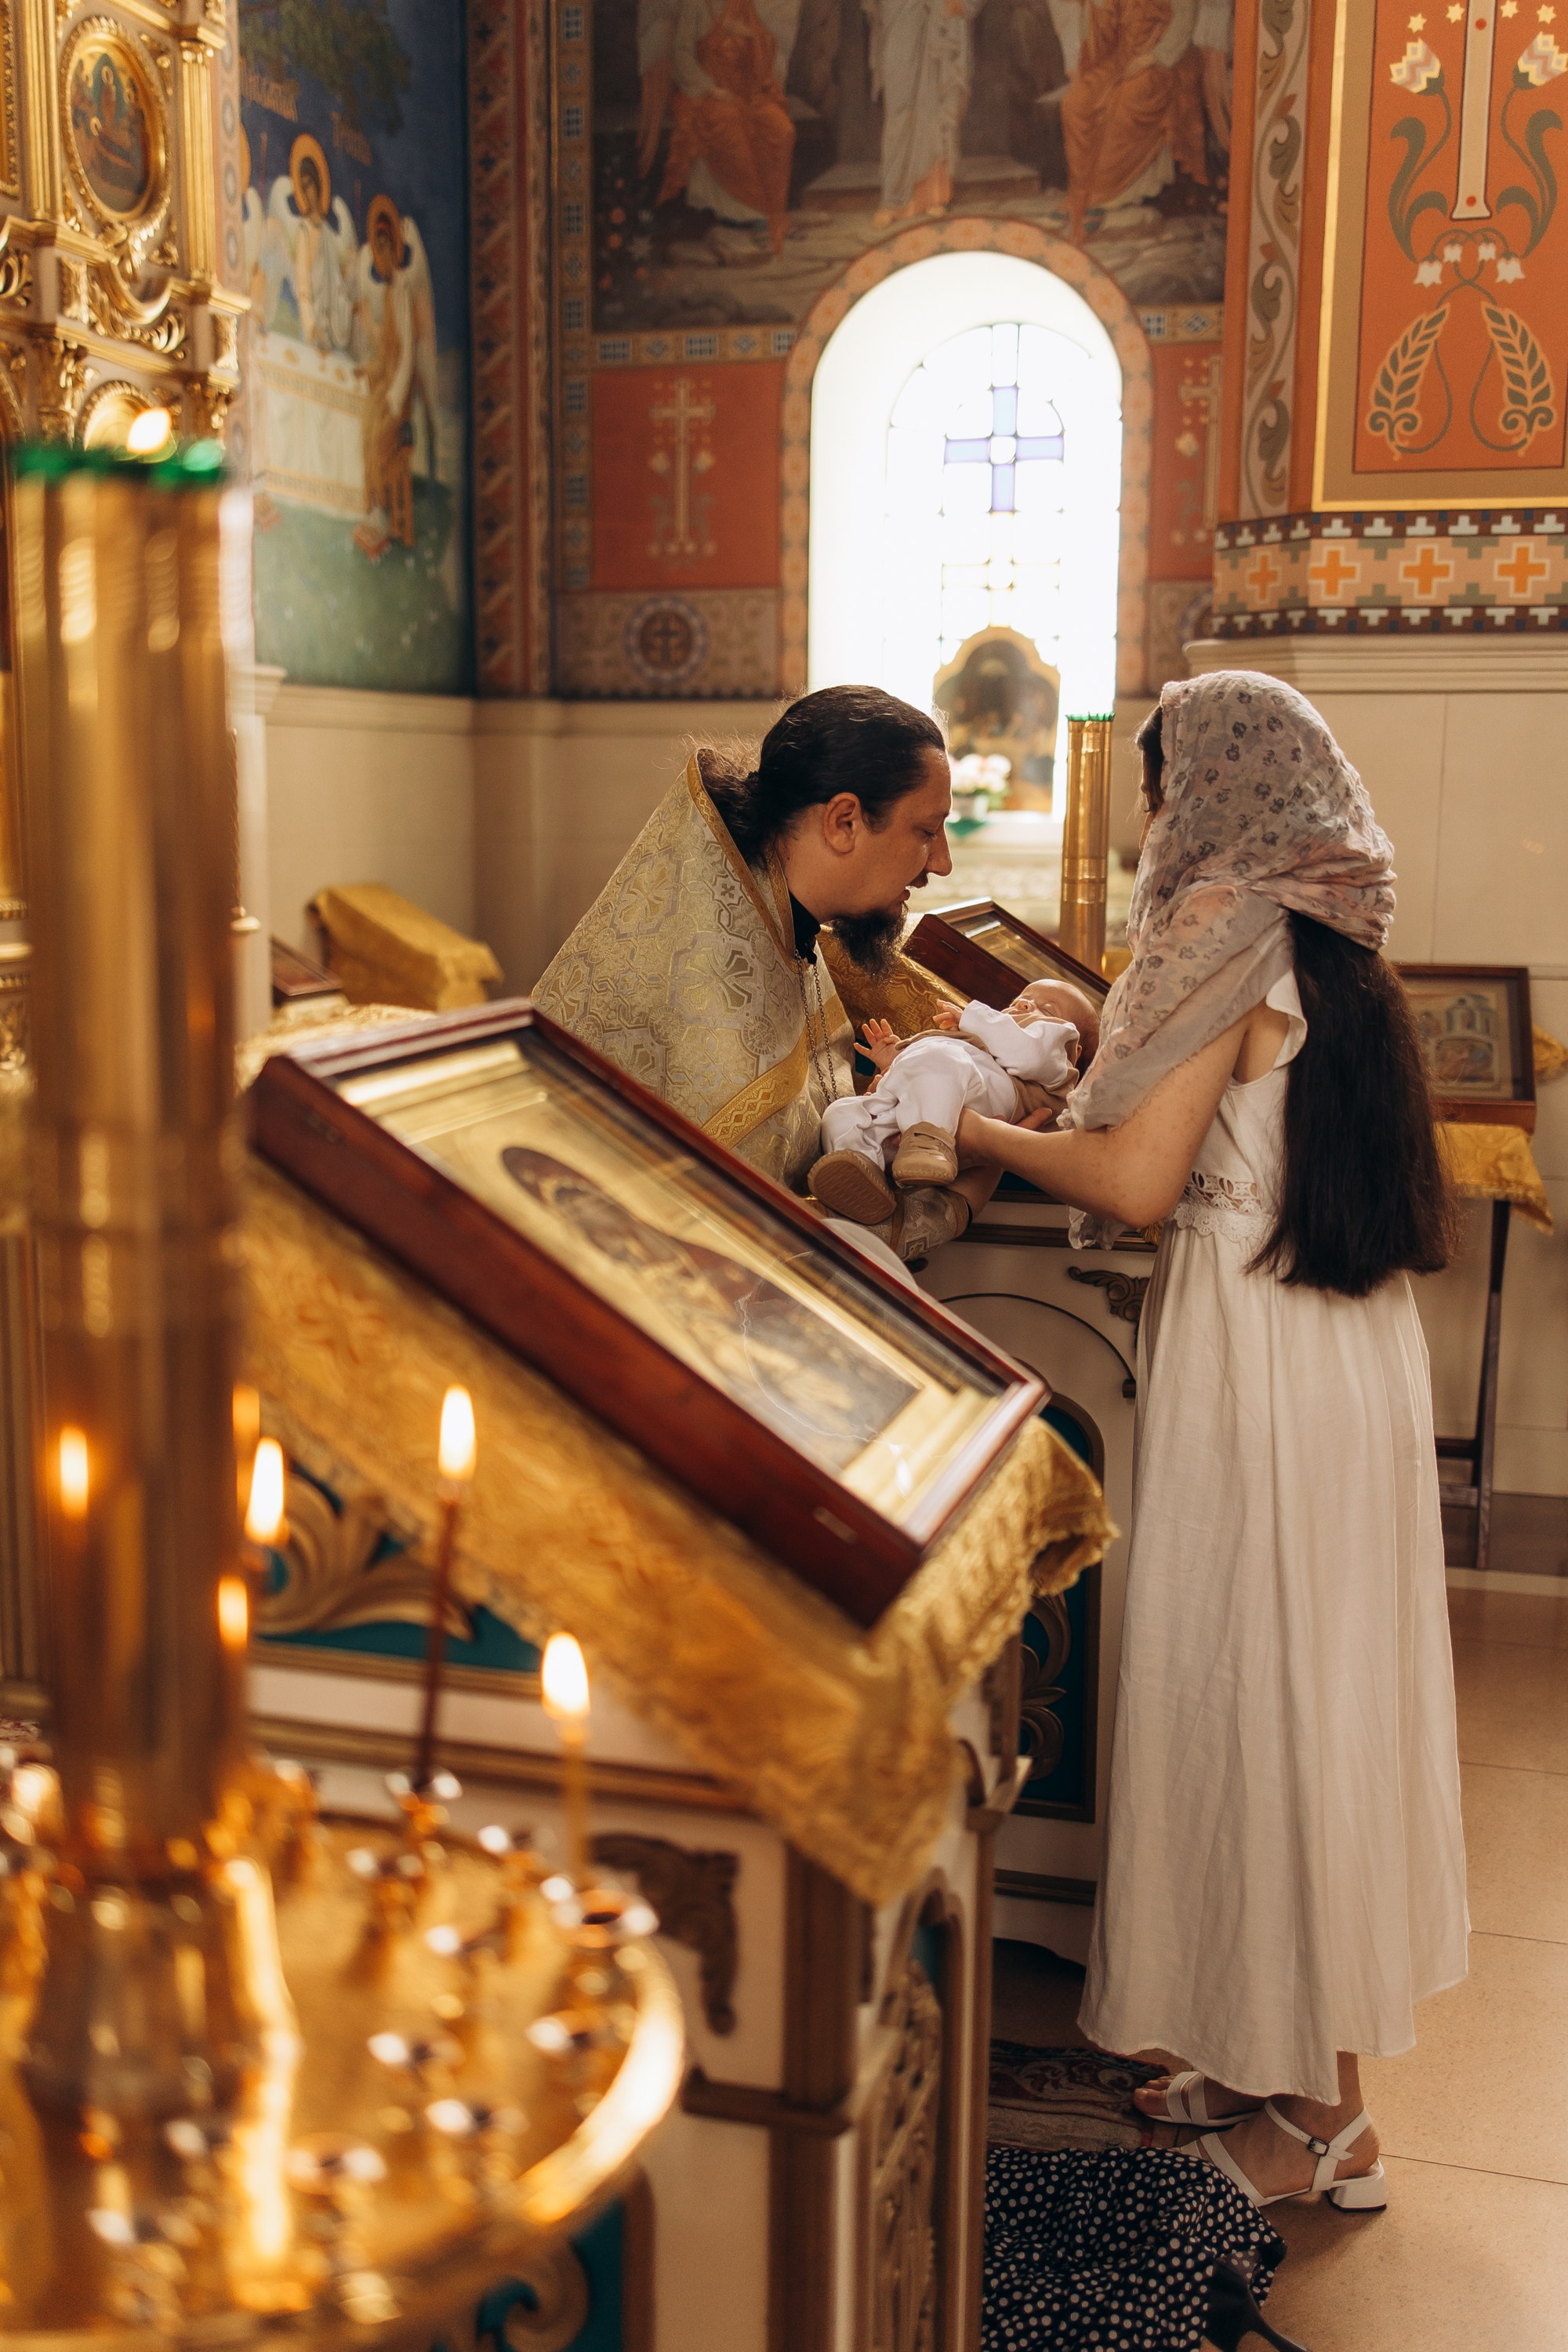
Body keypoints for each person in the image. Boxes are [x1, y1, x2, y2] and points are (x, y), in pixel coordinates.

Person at [956, 670, 1467, 2210]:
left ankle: (1327, 2121)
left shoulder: (1231, 935)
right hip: (1332, 1354)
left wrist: (959, 1121)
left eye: (1166, 793)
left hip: (1261, 1369)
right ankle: (1260, 2053)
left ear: (1214, 798)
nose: (1157, 826)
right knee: (1287, 1691)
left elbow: (1128, 1181)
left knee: (1271, 1708)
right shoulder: (1333, 926)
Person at [532, 684, 986, 1264]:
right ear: (844, 821)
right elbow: (752, 1252)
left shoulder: (773, 921)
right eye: (926, 831)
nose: (941, 863)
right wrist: (954, 1204)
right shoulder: (712, 996)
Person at [811, 978, 1092, 1220]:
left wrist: (974, 1018)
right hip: (917, 1108)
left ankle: (930, 1144)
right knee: (842, 1113)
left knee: (941, 1058)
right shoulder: (981, 1039)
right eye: (1020, 999)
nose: (1024, 1006)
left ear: (1074, 1052)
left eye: (1047, 1008)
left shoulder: (1054, 1054)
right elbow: (928, 1075)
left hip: (985, 1095)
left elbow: (1029, 1054)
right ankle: (864, 1178)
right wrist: (892, 1064)